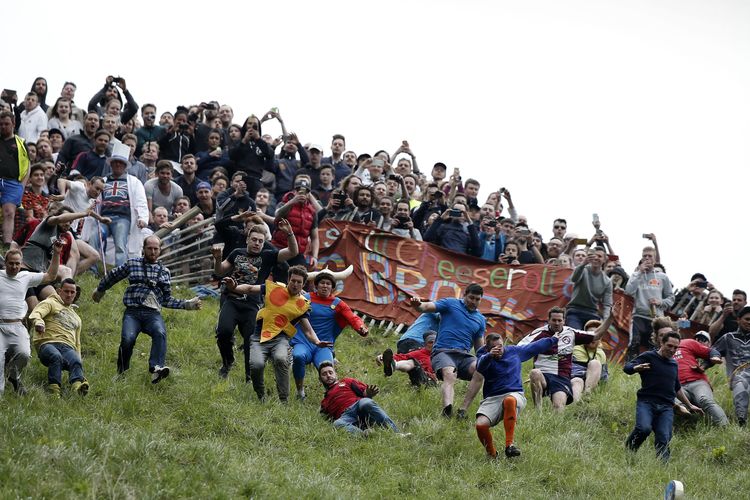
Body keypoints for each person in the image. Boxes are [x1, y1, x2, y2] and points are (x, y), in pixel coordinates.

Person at [92, 236, 202, 383]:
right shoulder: (132, 264)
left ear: (160, 250)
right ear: (143, 249)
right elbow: (113, 276)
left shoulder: (164, 272)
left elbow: (166, 299)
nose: (153, 251)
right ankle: (121, 372)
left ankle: (156, 368)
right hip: (133, 312)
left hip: (153, 314)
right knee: (127, 339)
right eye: (149, 248)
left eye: (156, 249)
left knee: (160, 333)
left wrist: (187, 304)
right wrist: (100, 290)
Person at [222, 265, 331, 403]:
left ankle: (283, 400)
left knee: (280, 358)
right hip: (258, 337)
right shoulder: (274, 288)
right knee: (256, 365)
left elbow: (308, 329)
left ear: (303, 285)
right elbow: (250, 289)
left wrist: (316, 342)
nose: (295, 284)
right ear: (288, 280)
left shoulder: (302, 304)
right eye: (293, 280)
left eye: (299, 282)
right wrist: (234, 287)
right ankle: (261, 396)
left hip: (281, 339)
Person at [211, 222, 298, 380]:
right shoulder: (237, 253)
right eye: (254, 239)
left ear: (264, 243)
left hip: (252, 304)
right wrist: (217, 259)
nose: (257, 243)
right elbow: (219, 271)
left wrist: (290, 233)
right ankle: (227, 362)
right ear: (247, 240)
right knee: (223, 332)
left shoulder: (268, 255)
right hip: (232, 300)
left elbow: (293, 251)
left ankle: (249, 375)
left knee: (250, 340)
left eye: (260, 241)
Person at [473, 331, 560, 459]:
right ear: (488, 347)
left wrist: (553, 339)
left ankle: (509, 446)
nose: (499, 350)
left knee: (510, 400)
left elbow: (535, 347)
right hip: (492, 397)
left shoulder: (514, 351)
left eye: (501, 346)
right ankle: (491, 454)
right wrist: (490, 356)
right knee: (481, 425)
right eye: (495, 348)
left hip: (514, 393)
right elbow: (480, 367)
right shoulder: (483, 355)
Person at [409, 283, 486, 417]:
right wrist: (418, 305)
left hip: (463, 356)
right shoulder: (450, 304)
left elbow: (480, 348)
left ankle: (463, 410)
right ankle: (447, 410)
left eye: (477, 299)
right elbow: (426, 307)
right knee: (450, 374)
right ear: (464, 295)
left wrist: (489, 359)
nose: (474, 302)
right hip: (443, 352)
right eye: (471, 298)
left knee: (481, 367)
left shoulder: (480, 319)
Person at [291, 267, 368, 400]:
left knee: (328, 369)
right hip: (303, 342)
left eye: (328, 284)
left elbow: (352, 317)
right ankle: (300, 391)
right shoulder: (305, 298)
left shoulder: (338, 303)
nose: (325, 286)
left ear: (332, 288)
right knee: (298, 356)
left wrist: (361, 327)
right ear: (316, 285)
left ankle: (333, 397)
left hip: (324, 346)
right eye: (322, 283)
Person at [624, 330, 703, 461]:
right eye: (669, 346)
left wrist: (690, 405)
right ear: (662, 343)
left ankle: (662, 468)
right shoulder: (649, 356)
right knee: (643, 429)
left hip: (666, 407)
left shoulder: (673, 364)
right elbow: (627, 367)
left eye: (675, 347)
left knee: (664, 438)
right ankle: (630, 450)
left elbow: (677, 388)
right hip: (647, 402)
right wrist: (636, 368)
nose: (672, 350)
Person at [521, 307, 613, 411]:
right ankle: (538, 411)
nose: (556, 323)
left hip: (561, 378)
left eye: (559, 320)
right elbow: (519, 348)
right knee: (534, 372)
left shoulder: (571, 333)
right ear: (548, 320)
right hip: (543, 375)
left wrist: (611, 318)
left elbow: (596, 335)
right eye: (554, 320)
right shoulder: (539, 333)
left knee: (559, 409)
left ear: (564, 321)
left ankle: (578, 401)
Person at [0, 242, 62, 395]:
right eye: (11, 263)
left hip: (18, 325)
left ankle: (13, 376)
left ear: (21, 264)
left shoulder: (25, 277)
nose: (14, 267)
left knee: (24, 354)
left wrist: (56, 254)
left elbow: (51, 276)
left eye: (17, 264)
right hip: (0, 326)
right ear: (5, 263)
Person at [28, 278, 89, 397]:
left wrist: (79, 358)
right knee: (56, 357)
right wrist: (39, 322)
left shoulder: (76, 318)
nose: (69, 294)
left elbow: (77, 343)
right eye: (66, 291)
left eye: (72, 292)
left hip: (68, 347)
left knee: (75, 360)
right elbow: (37, 312)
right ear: (59, 291)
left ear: (75, 294)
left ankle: (77, 388)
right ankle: (54, 392)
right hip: (48, 344)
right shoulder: (50, 302)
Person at [318, 361, 402, 436]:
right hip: (346, 416)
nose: (328, 375)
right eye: (324, 374)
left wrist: (369, 393)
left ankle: (396, 434)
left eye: (330, 372)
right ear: (320, 379)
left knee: (366, 403)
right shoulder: (324, 401)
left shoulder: (346, 381)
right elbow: (327, 420)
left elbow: (364, 392)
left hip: (358, 405)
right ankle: (364, 434)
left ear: (335, 374)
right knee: (337, 424)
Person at [625, 246, 675, 360]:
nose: (647, 258)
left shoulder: (663, 277)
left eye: (649, 256)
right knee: (634, 343)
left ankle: (653, 370)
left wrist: (660, 302)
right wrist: (639, 273)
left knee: (655, 347)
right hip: (638, 316)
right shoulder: (636, 275)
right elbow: (628, 292)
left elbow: (671, 298)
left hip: (656, 318)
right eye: (644, 256)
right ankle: (630, 369)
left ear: (655, 259)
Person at [674, 331, 728, 426]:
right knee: (673, 401)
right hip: (677, 387)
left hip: (697, 382)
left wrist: (714, 357)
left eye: (703, 339)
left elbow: (711, 352)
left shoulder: (687, 343)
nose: (699, 341)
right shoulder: (658, 354)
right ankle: (687, 422)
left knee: (704, 399)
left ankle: (726, 427)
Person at [712, 306, 750, 426]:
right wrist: (703, 366)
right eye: (747, 319)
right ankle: (741, 422)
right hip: (738, 375)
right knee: (741, 382)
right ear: (738, 319)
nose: (749, 322)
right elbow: (713, 351)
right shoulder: (728, 337)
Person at [0, 111, 30, 250]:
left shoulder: (21, 142)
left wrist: (22, 186)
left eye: (6, 124)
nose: (3, 126)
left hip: (13, 182)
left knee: (9, 212)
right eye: (1, 124)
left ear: (13, 124)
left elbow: (28, 165)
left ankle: (7, 243)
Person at [565, 247, 613, 329]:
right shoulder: (583, 270)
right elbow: (574, 279)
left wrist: (605, 322)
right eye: (594, 256)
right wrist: (583, 263)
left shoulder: (607, 281)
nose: (596, 258)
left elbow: (607, 304)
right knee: (575, 336)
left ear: (605, 260)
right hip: (575, 311)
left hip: (592, 313)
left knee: (592, 338)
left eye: (599, 256)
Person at [570, 319, 610, 401]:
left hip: (592, 384)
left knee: (595, 363)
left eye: (596, 335)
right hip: (574, 379)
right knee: (577, 381)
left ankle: (586, 396)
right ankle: (575, 407)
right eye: (590, 335)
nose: (593, 338)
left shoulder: (601, 354)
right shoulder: (574, 348)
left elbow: (603, 378)